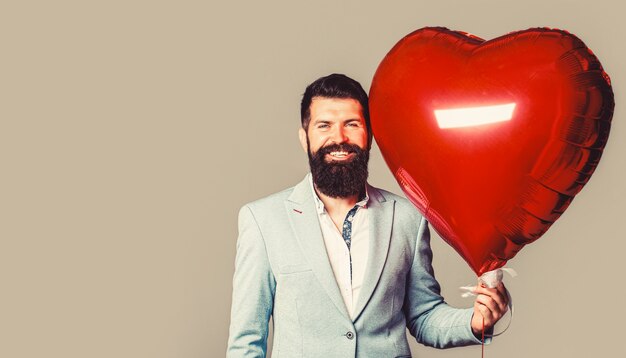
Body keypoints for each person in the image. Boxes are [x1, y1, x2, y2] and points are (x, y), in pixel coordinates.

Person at [227, 74, 509, 357]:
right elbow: (246, 341)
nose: (339, 138)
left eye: (352, 124)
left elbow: (424, 314)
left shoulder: (408, 217)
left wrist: (474, 323)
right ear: (305, 138)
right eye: (324, 125)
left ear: (370, 136)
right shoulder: (263, 220)